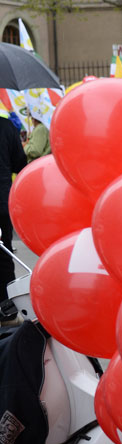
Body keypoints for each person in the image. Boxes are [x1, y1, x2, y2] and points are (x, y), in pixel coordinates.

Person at [0, 111, 27, 303]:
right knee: (3, 254)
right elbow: (20, 163)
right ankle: (6, 308)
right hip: (1, 201)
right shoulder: (7, 127)